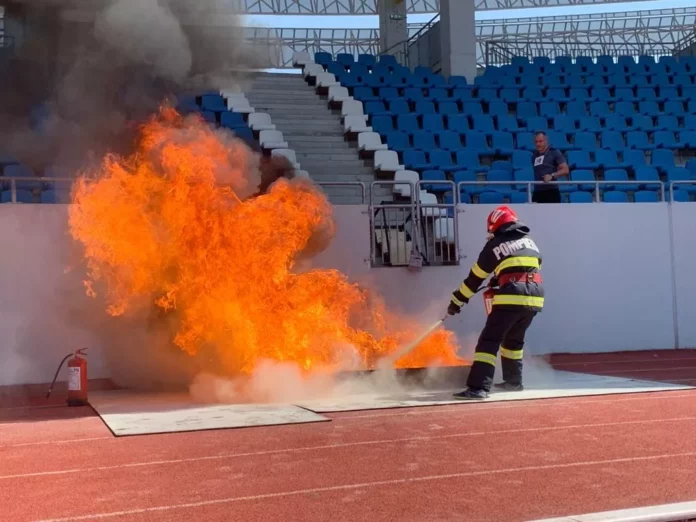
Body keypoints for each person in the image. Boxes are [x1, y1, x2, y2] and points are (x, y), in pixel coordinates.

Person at [447, 205, 544, 400]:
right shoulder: (530, 242)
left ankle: (478, 388)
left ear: (495, 227)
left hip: (511, 295)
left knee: (489, 340)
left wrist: (457, 301)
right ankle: (514, 382)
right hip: (535, 295)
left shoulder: (495, 244)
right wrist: (500, 277)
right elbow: (529, 265)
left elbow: (475, 278)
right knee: (513, 340)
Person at [531, 131, 569, 204]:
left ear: (546, 141)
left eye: (540, 141)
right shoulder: (534, 156)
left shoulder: (554, 152)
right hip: (537, 191)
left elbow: (565, 169)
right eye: (536, 142)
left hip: (551, 191)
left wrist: (552, 176)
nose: (538, 144)